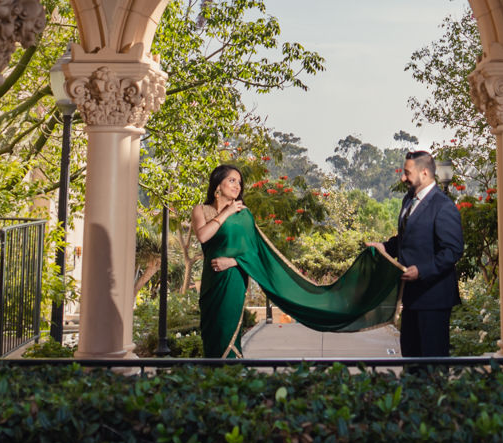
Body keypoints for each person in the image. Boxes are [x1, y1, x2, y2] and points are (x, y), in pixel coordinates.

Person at [192, 163, 402, 358]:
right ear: (217, 184)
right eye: (232, 180)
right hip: (212, 282)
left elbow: (254, 252)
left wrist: (234, 262)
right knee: (211, 332)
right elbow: (203, 236)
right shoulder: (201, 210)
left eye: (239, 182)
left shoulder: (244, 216)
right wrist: (226, 212)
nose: (237, 186)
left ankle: (228, 380)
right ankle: (210, 383)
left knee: (227, 334)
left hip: (232, 279)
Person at [368, 149, 464, 359]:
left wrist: (421, 271)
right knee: (411, 360)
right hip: (411, 297)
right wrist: (386, 247)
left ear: (424, 174)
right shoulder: (408, 200)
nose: (403, 178)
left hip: (434, 298)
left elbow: (453, 250)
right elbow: (405, 238)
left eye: (407, 172)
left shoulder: (443, 206)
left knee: (432, 364)